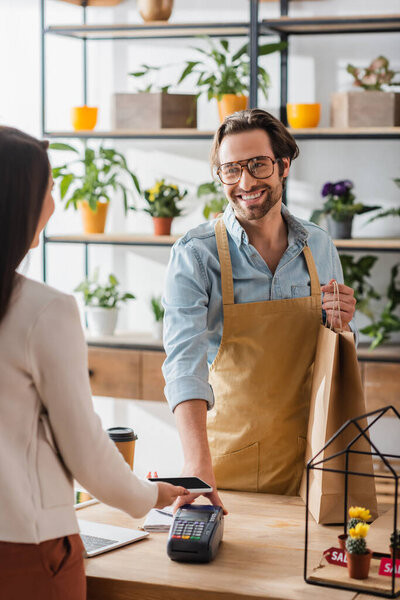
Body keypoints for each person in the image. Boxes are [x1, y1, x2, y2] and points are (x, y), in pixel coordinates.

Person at [0, 126, 188, 600]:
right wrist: (149, 496)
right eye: (48, 189)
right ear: (19, 200)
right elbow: (86, 453)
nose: (56, 202)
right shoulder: (43, 310)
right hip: (27, 549)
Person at [162, 109, 357, 513]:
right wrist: (197, 464)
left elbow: (330, 357)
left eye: (258, 165)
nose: (246, 182)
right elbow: (183, 364)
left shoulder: (319, 246)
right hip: (224, 472)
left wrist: (342, 323)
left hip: (312, 466)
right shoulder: (196, 254)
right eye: (231, 169)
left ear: (283, 165)